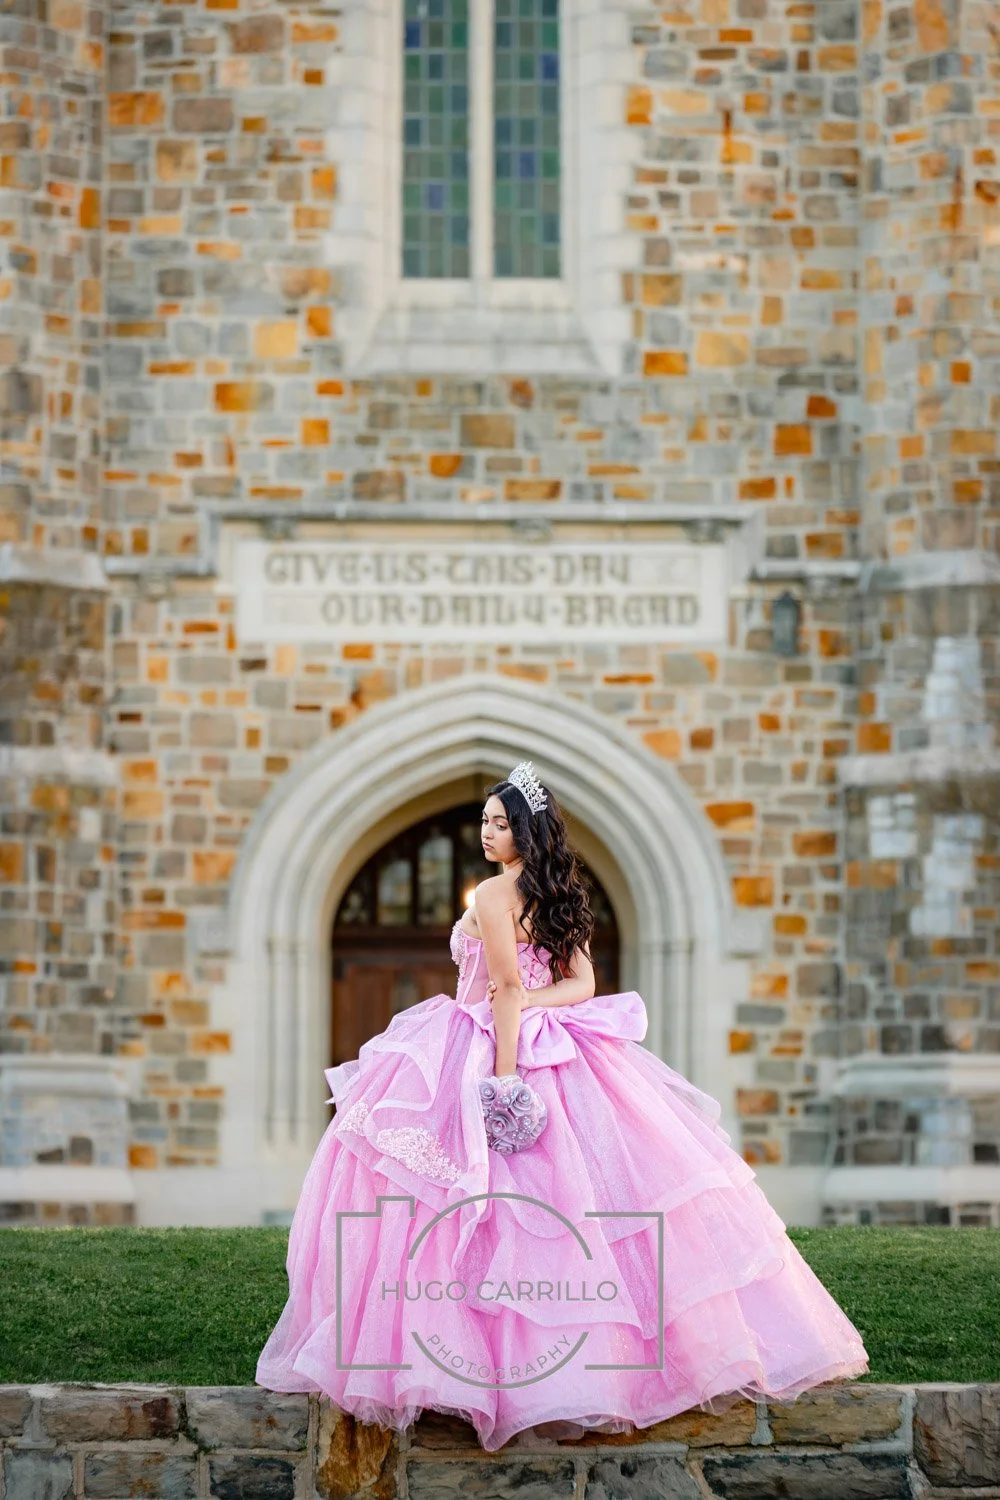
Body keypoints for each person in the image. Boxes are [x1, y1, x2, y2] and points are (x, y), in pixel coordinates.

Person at [256, 761, 869, 1452]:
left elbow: (510, 989)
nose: (487, 833)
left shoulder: (492, 896)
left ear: (525, 829)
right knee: (575, 1200)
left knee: (464, 1202)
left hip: (493, 1046)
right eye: (484, 822)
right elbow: (579, 984)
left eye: (499, 823)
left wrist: (507, 1078)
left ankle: (469, 1366)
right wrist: (533, 1015)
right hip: (547, 1039)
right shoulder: (559, 893)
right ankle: (589, 1369)